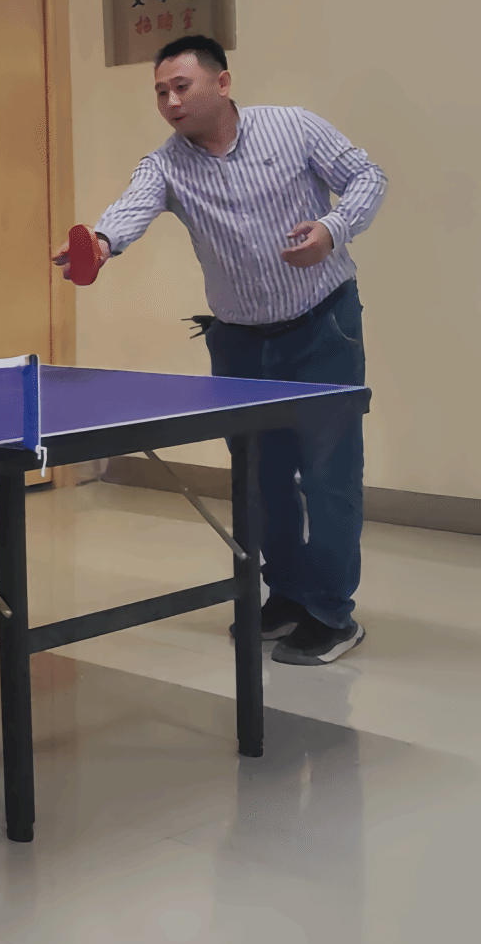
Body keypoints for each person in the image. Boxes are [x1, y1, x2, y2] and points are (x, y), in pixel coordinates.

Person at [59, 34, 386, 666]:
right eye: (160, 92)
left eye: (181, 87)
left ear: (223, 83)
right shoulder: (166, 165)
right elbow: (129, 209)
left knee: (328, 476)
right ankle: (286, 594)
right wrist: (98, 244)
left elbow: (368, 177)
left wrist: (333, 228)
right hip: (239, 341)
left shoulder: (293, 128)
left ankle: (331, 613)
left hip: (323, 327)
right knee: (261, 480)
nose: (170, 102)